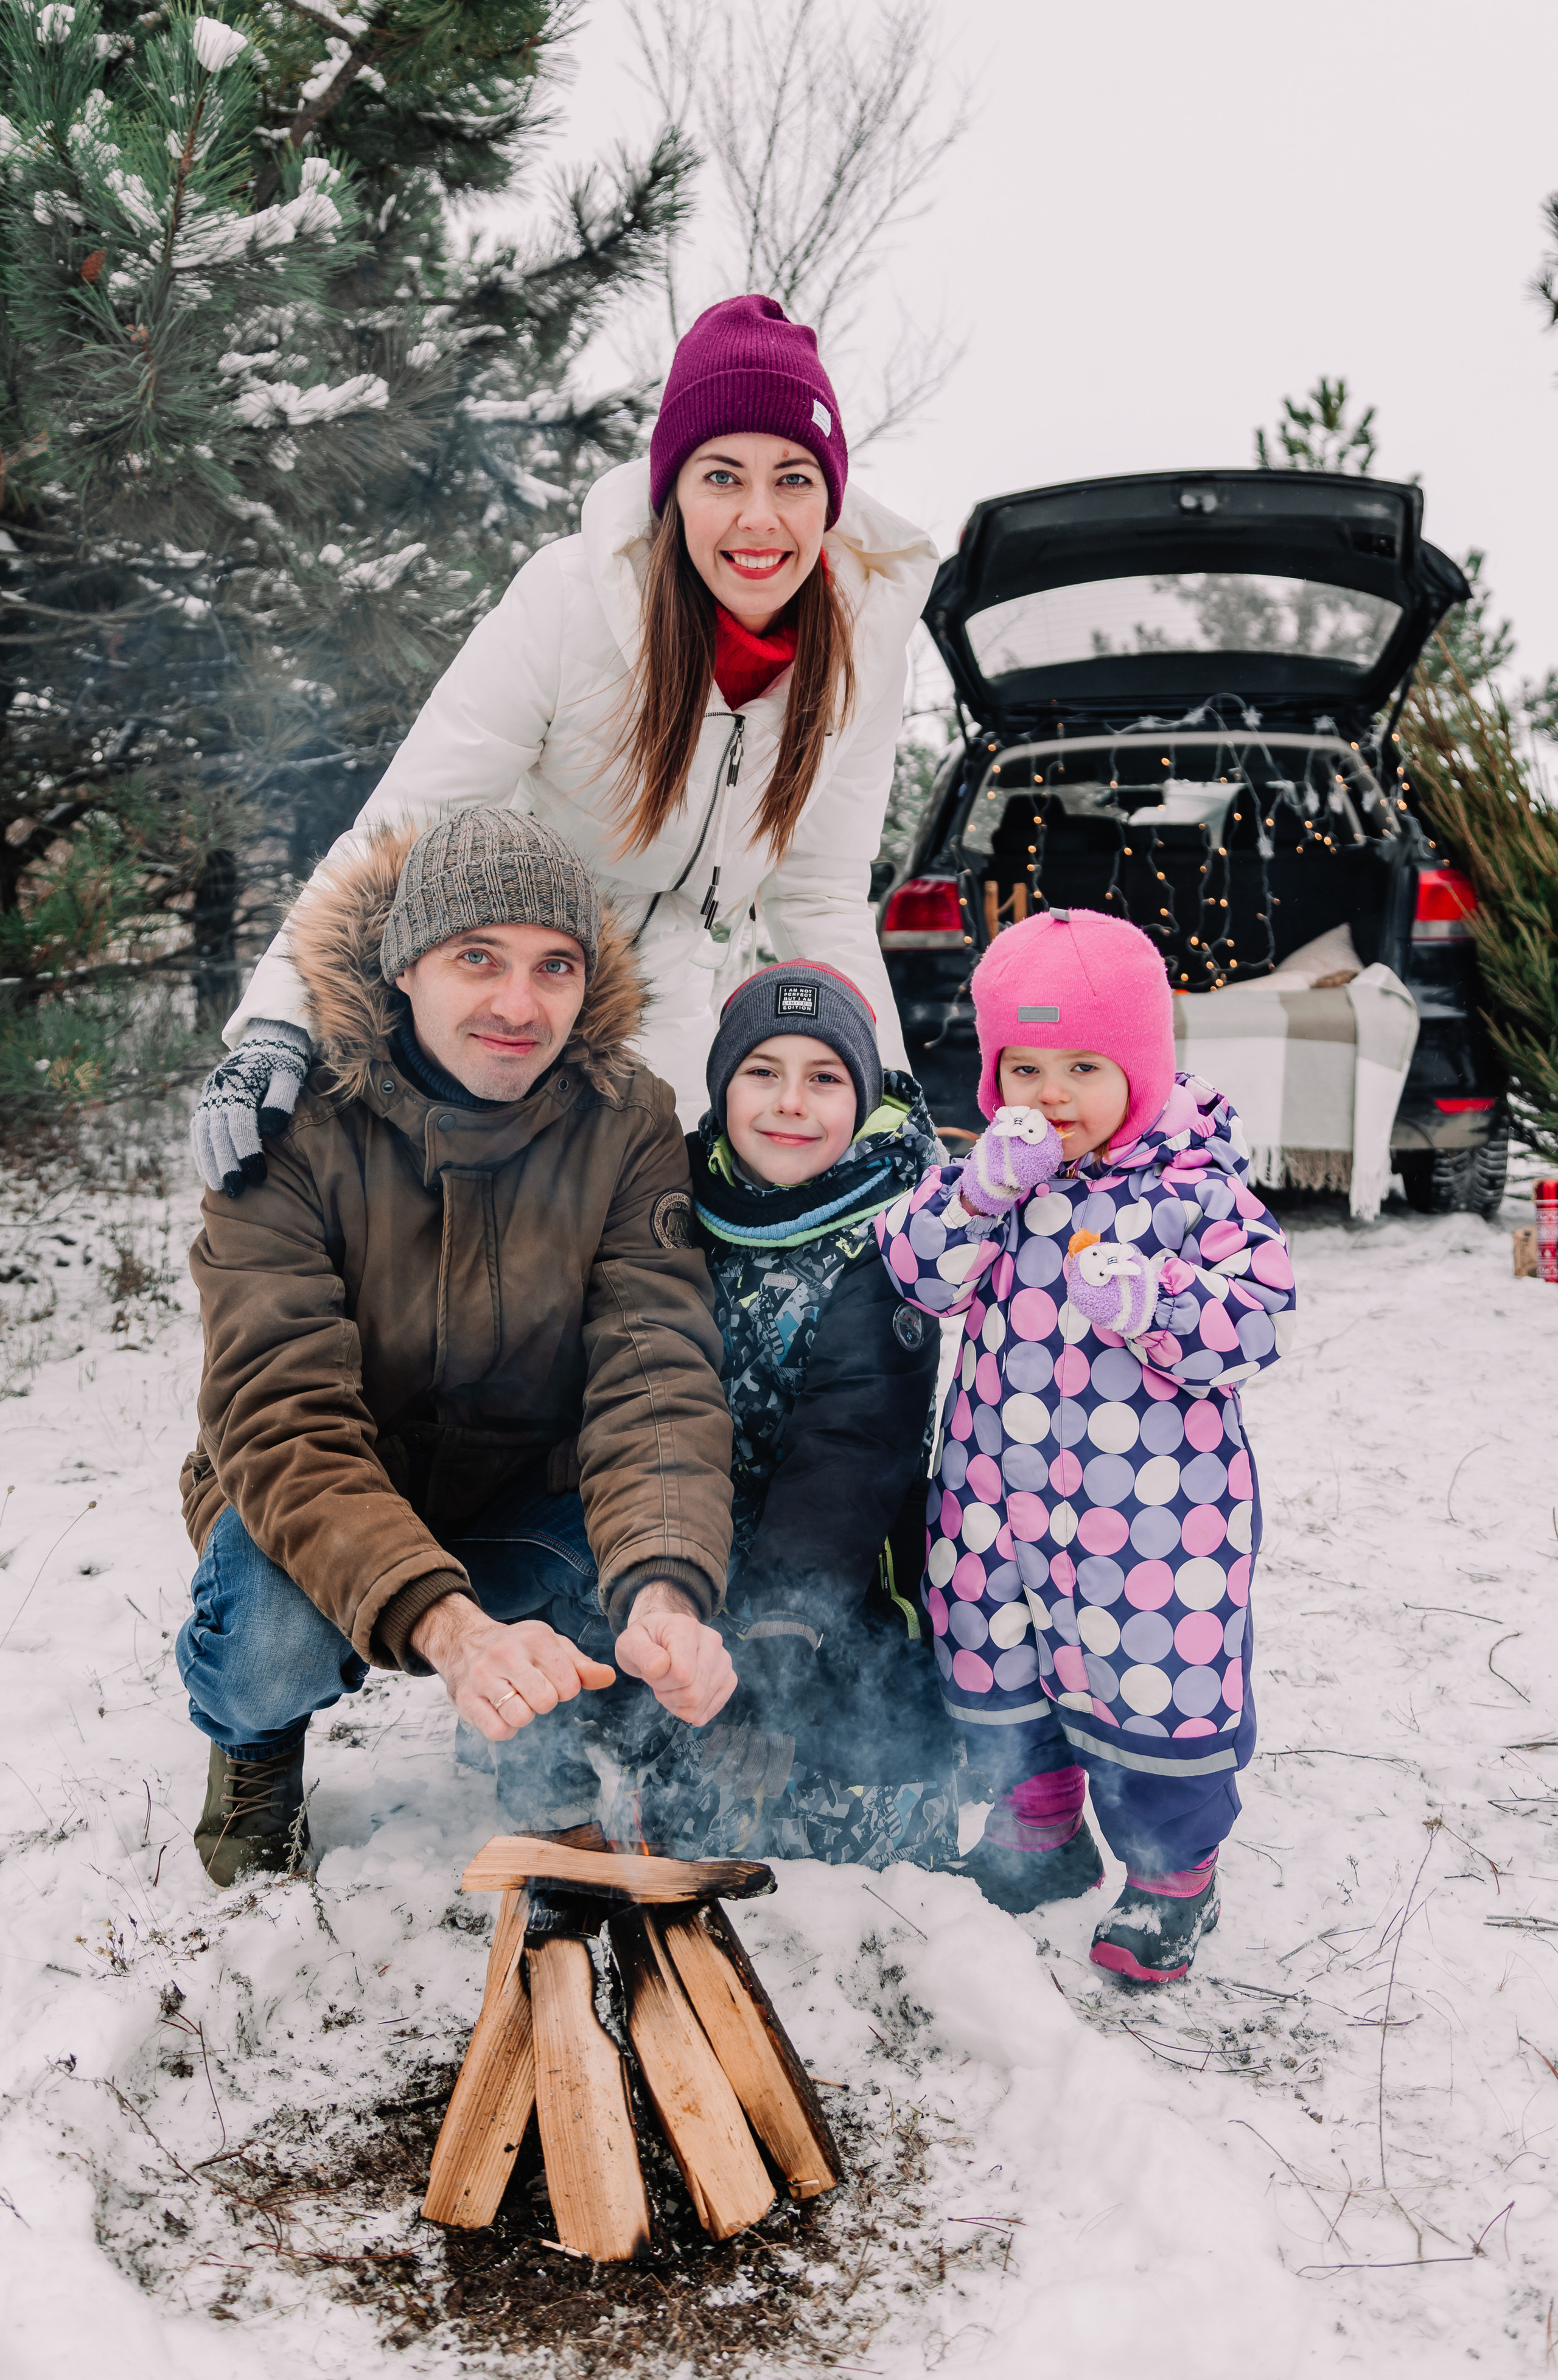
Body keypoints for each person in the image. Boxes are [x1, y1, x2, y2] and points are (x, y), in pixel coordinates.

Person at [191, 293, 939, 1198]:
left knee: (654, 1248)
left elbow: (819, 897)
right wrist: (280, 1023)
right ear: (673, 488)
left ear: (831, 496)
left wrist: (890, 1094)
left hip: (672, 1008)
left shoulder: (861, 650)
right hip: (515, 986)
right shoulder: (572, 601)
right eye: (722, 476)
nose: (759, 518)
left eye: (793, 479)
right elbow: (404, 826)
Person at [177, 806, 738, 1885]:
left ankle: (535, 1728)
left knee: (649, 1583)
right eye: (477, 957)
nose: (519, 1006)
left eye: (555, 966)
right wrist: (451, 1629)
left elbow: (655, 1378)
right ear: (406, 967)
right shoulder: (291, 1122)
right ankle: (255, 1749)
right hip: (322, 1488)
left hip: (520, 1486)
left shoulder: (626, 1121)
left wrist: (664, 1595)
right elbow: (282, 1415)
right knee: (266, 1649)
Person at [874, 908, 1298, 1981]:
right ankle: (1038, 1825)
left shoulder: (1195, 1188)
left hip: (1151, 1517)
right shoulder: (996, 1181)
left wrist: (1158, 1301)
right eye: (1023, 1067)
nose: (1050, 1094)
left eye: (1082, 1067)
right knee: (996, 1652)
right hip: (996, 1497)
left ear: (1141, 1069)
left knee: (1155, 1678)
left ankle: (1170, 1874)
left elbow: (1258, 1318)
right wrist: (980, 1191)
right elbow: (918, 1276)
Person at [643, 958, 959, 1866]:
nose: (790, 1103)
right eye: (762, 1072)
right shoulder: (675, 1203)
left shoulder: (896, 1236)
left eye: (824, 1078)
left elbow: (854, 1445)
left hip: (838, 1568)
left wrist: (781, 1630)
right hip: (686, 1539)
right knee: (649, 1782)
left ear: (862, 1097)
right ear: (722, 1086)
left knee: (846, 1797)